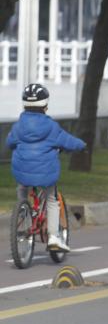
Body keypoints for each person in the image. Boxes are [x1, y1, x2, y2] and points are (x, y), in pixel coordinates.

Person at [6, 84, 86, 252]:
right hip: (45, 174)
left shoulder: (18, 126)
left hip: (22, 171)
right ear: (45, 105)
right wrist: (82, 145)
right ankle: (54, 237)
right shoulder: (51, 127)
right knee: (51, 199)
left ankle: (23, 210)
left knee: (22, 188)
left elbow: (9, 143)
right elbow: (68, 141)